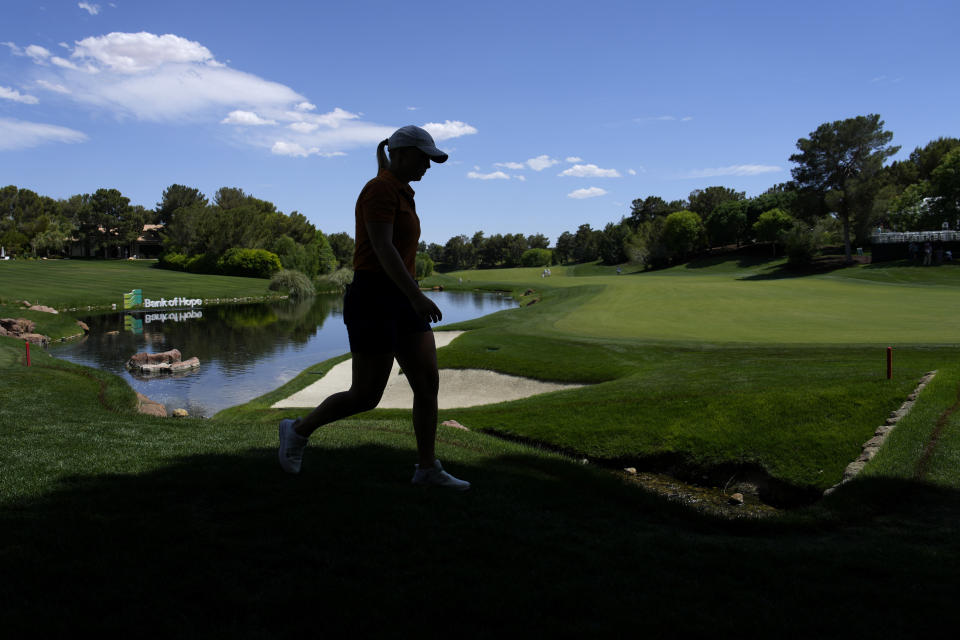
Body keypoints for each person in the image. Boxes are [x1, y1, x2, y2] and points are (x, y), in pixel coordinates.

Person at [278, 125, 470, 490]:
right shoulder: (379, 189)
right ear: (400, 154)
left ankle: (427, 468)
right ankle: (298, 430)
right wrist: (415, 295)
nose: (428, 166)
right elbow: (383, 248)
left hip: (402, 295)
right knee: (366, 395)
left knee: (427, 384)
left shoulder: (401, 191)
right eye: (423, 157)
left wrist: (412, 294)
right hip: (375, 298)